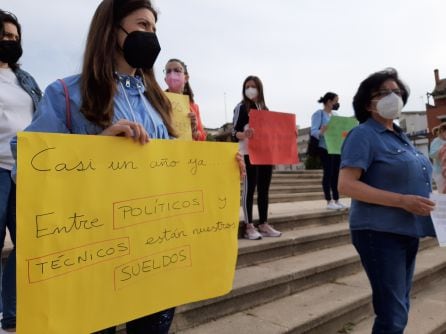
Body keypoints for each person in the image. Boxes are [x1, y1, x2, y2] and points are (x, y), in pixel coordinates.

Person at [11, 1, 176, 333]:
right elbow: (28, 167)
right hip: (92, 255)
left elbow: (172, 170)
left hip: (151, 252)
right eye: (143, 25)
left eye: (155, 29)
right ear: (111, 29)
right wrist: (96, 149)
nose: (151, 35)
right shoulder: (66, 94)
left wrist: (223, 171)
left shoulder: (159, 103)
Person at [338, 68, 436, 334]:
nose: (393, 96)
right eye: (384, 93)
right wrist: (401, 200)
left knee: (399, 306)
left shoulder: (401, 137)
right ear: (368, 103)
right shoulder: (363, 135)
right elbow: (346, 185)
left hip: (407, 230)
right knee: (392, 314)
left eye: (397, 92)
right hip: (378, 232)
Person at [0, 9, 42, 332]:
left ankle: (11, 312)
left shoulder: (25, 80)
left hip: (25, 170)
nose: (9, 41)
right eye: (4, 36)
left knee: (26, 241)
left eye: (14, 37)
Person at [232, 75, 281, 240]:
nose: (250, 89)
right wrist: (243, 134)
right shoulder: (241, 107)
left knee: (264, 190)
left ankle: (264, 223)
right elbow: (233, 132)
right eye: (247, 86)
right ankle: (248, 225)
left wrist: (288, 133)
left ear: (259, 89)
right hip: (248, 154)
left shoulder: (265, 109)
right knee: (249, 189)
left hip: (265, 155)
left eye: (253, 86)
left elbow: (273, 132)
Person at [310, 92, 345, 210]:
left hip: (336, 148)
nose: (337, 103)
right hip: (324, 147)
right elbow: (313, 131)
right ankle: (329, 201)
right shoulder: (318, 114)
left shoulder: (335, 115)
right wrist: (321, 131)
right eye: (336, 101)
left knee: (336, 174)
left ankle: (337, 199)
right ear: (329, 101)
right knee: (328, 174)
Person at [164, 58, 207, 141]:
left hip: (186, 151)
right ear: (165, 79)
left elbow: (202, 138)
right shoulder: (157, 101)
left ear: (186, 78)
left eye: (177, 70)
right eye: (168, 71)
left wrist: (194, 131)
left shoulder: (194, 107)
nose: (172, 74)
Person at [429, 122, 446, 193]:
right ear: (442, 131)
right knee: (443, 194)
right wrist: (442, 148)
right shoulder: (436, 141)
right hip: (439, 172)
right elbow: (431, 154)